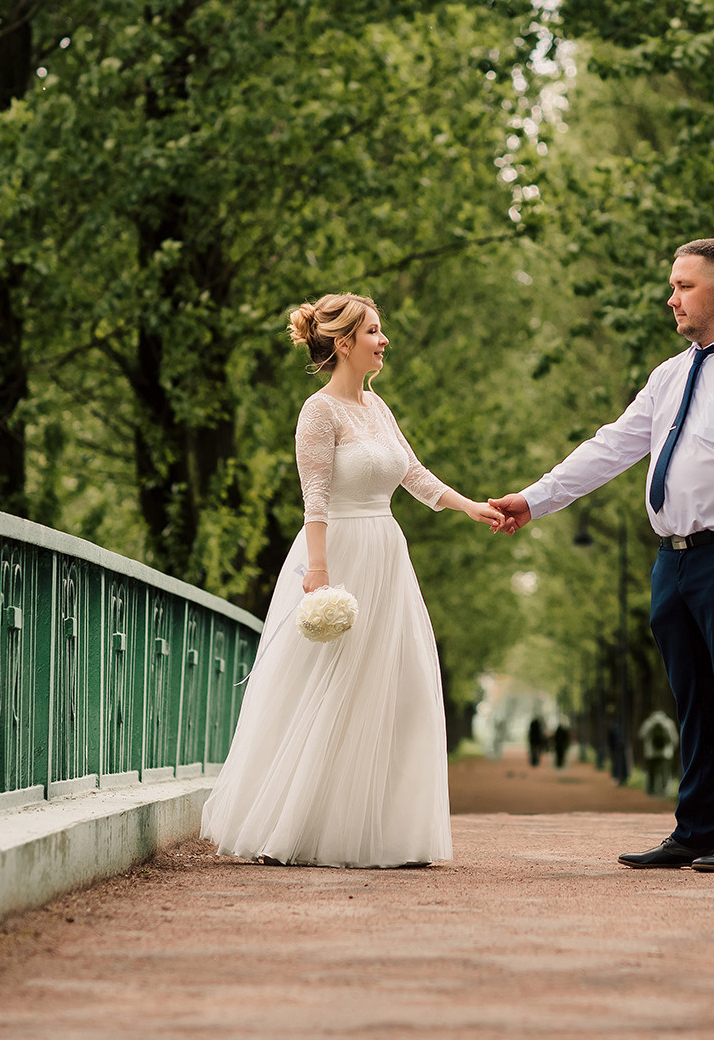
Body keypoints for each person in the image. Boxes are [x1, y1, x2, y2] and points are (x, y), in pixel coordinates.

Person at [491, 239, 714, 873]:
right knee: (692, 701)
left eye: (684, 286)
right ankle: (696, 829)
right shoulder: (668, 375)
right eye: (673, 285)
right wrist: (535, 499)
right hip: (674, 559)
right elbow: (611, 447)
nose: (671, 298)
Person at [200, 293, 502, 867]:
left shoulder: (378, 407)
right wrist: (317, 570)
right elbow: (315, 498)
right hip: (338, 552)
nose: (384, 341)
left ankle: (386, 831)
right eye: (374, 332)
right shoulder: (318, 412)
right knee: (327, 686)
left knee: (399, 686)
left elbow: (412, 473)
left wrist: (469, 507)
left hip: (388, 554)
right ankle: (294, 828)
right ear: (344, 344)